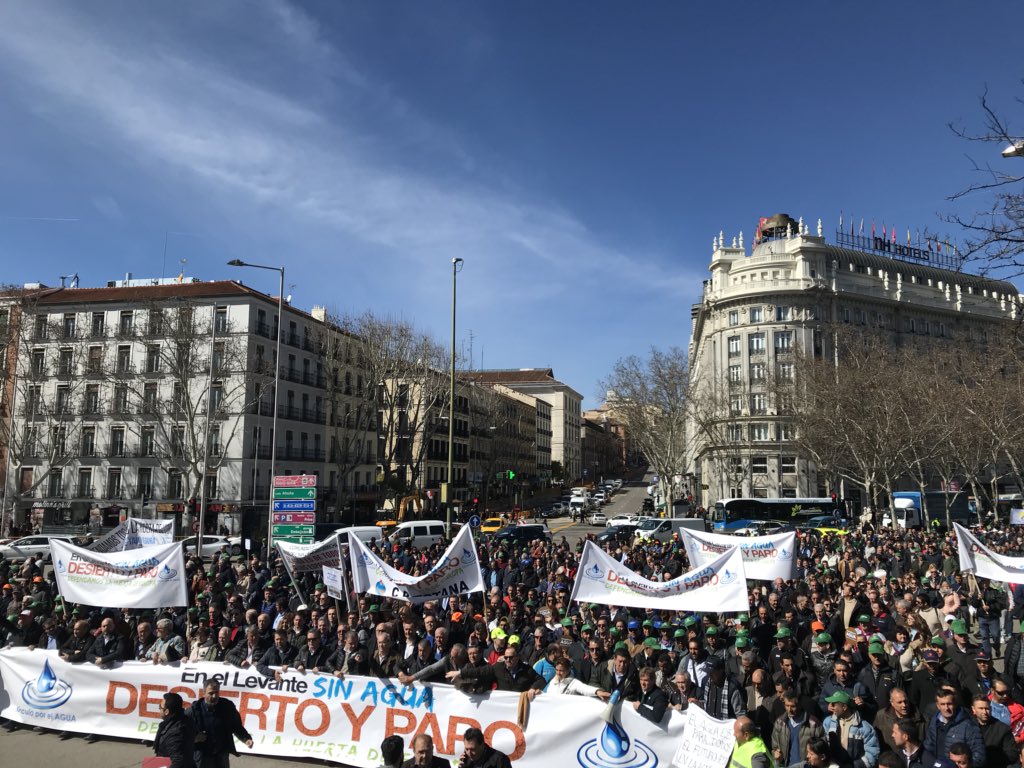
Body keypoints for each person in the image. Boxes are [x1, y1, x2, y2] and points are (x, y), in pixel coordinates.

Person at [188, 680, 254, 768]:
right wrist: (194, 738)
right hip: (203, 756)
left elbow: (236, 726)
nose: (215, 696)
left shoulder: (227, 707)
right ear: (203, 693)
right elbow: (180, 734)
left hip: (221, 754)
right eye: (211, 693)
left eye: (217, 692)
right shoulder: (193, 711)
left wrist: (246, 739)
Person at [923, 690, 985, 768]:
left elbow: (979, 755)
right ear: (937, 705)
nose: (946, 708)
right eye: (942, 704)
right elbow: (928, 748)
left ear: (955, 704)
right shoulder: (934, 722)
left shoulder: (968, 726)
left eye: (949, 704)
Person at [821, 691, 880, 768]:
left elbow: (872, 754)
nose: (831, 707)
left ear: (844, 707)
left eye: (834, 704)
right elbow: (824, 746)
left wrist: (854, 766)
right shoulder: (828, 722)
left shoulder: (865, 728)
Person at [771, 690, 825, 767]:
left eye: (793, 706)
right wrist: (775, 754)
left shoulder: (813, 724)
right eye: (787, 705)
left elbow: (821, 748)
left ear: (799, 705)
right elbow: (775, 747)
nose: (789, 710)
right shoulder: (780, 723)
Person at [970, 693, 1018, 768]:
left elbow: (1012, 754)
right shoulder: (967, 726)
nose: (985, 712)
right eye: (981, 708)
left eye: (987, 708)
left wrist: (992, 759)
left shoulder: (1003, 729)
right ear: (973, 709)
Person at [154, 692, 197, 768]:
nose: (159, 709)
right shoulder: (185, 720)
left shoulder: (174, 733)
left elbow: (178, 762)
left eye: (160, 707)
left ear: (166, 711)